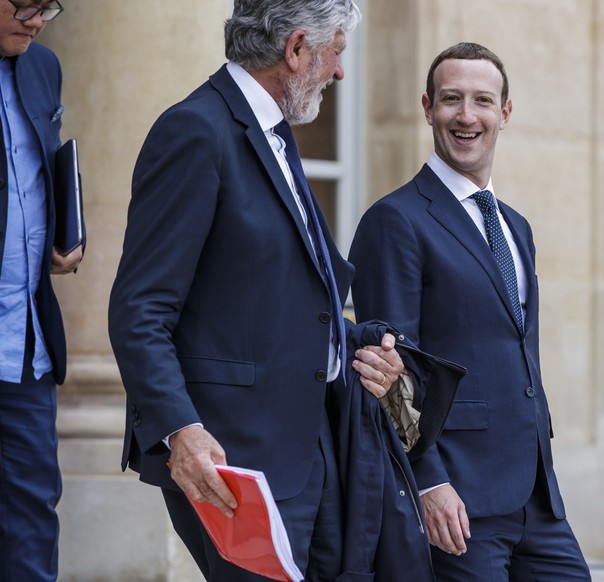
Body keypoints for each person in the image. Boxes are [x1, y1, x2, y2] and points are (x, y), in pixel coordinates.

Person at [107, 1, 403, 579]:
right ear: (295, 50)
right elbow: (140, 307)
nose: (340, 72)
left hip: (304, 444)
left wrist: (355, 348)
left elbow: (265, 296)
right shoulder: (195, 130)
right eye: (337, 52)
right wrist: (181, 432)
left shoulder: (275, 133)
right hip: (229, 455)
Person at [349, 42, 592, 581]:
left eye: (483, 100)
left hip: (536, 498)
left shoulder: (516, 226)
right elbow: (390, 372)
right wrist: (429, 482)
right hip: (458, 500)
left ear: (504, 113)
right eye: (451, 99)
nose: (466, 115)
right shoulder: (395, 221)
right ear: (427, 107)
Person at [0, 1, 82, 580]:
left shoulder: (44, 66)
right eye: (24, 4)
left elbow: (38, 173)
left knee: (32, 516)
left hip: (25, 346)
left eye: (48, 7)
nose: (36, 21)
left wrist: (61, 232)